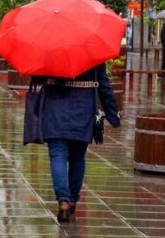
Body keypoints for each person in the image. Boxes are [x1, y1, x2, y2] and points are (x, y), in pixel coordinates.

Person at [34, 63, 120, 223]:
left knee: (57, 155)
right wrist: (113, 115)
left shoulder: (50, 47)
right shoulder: (93, 48)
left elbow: (37, 77)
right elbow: (103, 84)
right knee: (78, 157)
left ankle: (63, 201)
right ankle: (72, 199)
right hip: (83, 108)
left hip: (55, 109)